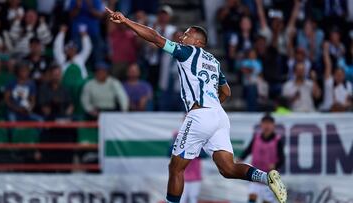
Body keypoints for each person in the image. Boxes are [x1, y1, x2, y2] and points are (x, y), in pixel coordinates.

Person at [106, 8, 287, 203]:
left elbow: (156, 38)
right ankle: (265, 177)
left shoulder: (188, 52)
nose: (182, 37)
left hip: (200, 115)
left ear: (198, 42)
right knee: (228, 168)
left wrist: (126, 21)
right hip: (219, 116)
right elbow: (226, 91)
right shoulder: (214, 62)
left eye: (187, 34)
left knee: (175, 168)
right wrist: (212, 106)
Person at [239, 114, 285, 203]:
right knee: (252, 196)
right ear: (261, 125)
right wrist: (241, 158)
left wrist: (275, 165)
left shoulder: (277, 140)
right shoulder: (256, 138)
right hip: (255, 174)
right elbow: (248, 150)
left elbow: (282, 159)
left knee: (266, 200)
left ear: (273, 126)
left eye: (269, 123)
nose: (267, 126)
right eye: (265, 123)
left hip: (269, 177)